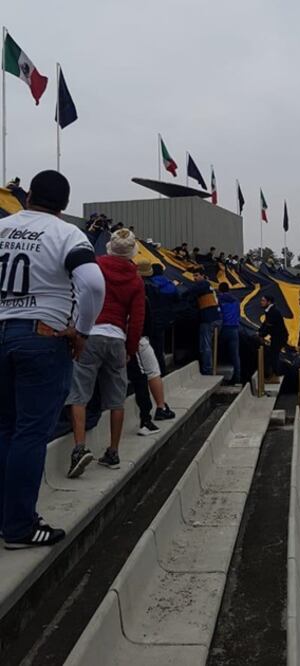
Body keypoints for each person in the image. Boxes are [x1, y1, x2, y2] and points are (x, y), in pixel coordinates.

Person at [0, 170, 105, 549]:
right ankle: (18, 528)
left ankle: (6, 518)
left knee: (5, 429)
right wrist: (83, 329)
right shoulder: (66, 234)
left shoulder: (4, 226)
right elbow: (93, 283)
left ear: (28, 195)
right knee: (29, 432)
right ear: (63, 205)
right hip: (41, 337)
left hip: (3, 330)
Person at [67, 228, 145, 478]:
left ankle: (79, 448)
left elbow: (79, 294)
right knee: (116, 399)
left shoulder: (96, 265)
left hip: (90, 332)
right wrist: (130, 349)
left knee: (79, 393)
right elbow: (137, 320)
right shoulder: (135, 279)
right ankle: (113, 450)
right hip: (116, 338)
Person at [134, 259, 175, 428]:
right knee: (152, 371)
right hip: (144, 333)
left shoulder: (136, 287)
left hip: (130, 332)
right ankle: (158, 408)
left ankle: (150, 412)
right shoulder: (158, 287)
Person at [189, 268, 221, 375]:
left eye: (197, 275)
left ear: (203, 275)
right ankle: (208, 367)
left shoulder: (203, 284)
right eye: (193, 276)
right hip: (215, 318)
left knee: (205, 346)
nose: (195, 278)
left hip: (208, 319)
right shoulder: (209, 287)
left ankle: (207, 370)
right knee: (207, 345)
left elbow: (190, 292)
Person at [258, 294, 287, 382]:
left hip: (279, 337)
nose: (261, 302)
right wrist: (260, 331)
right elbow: (265, 324)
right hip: (275, 337)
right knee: (272, 355)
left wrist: (261, 334)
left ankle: (276, 376)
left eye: (263, 300)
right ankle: (273, 375)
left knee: (274, 356)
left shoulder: (273, 312)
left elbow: (269, 325)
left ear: (269, 302)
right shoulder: (269, 311)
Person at [218, 283, 242, 385]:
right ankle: (237, 378)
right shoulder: (236, 301)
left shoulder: (219, 299)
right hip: (235, 329)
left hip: (223, 328)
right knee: (235, 355)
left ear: (220, 290)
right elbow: (238, 314)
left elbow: (219, 314)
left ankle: (216, 375)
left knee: (217, 351)